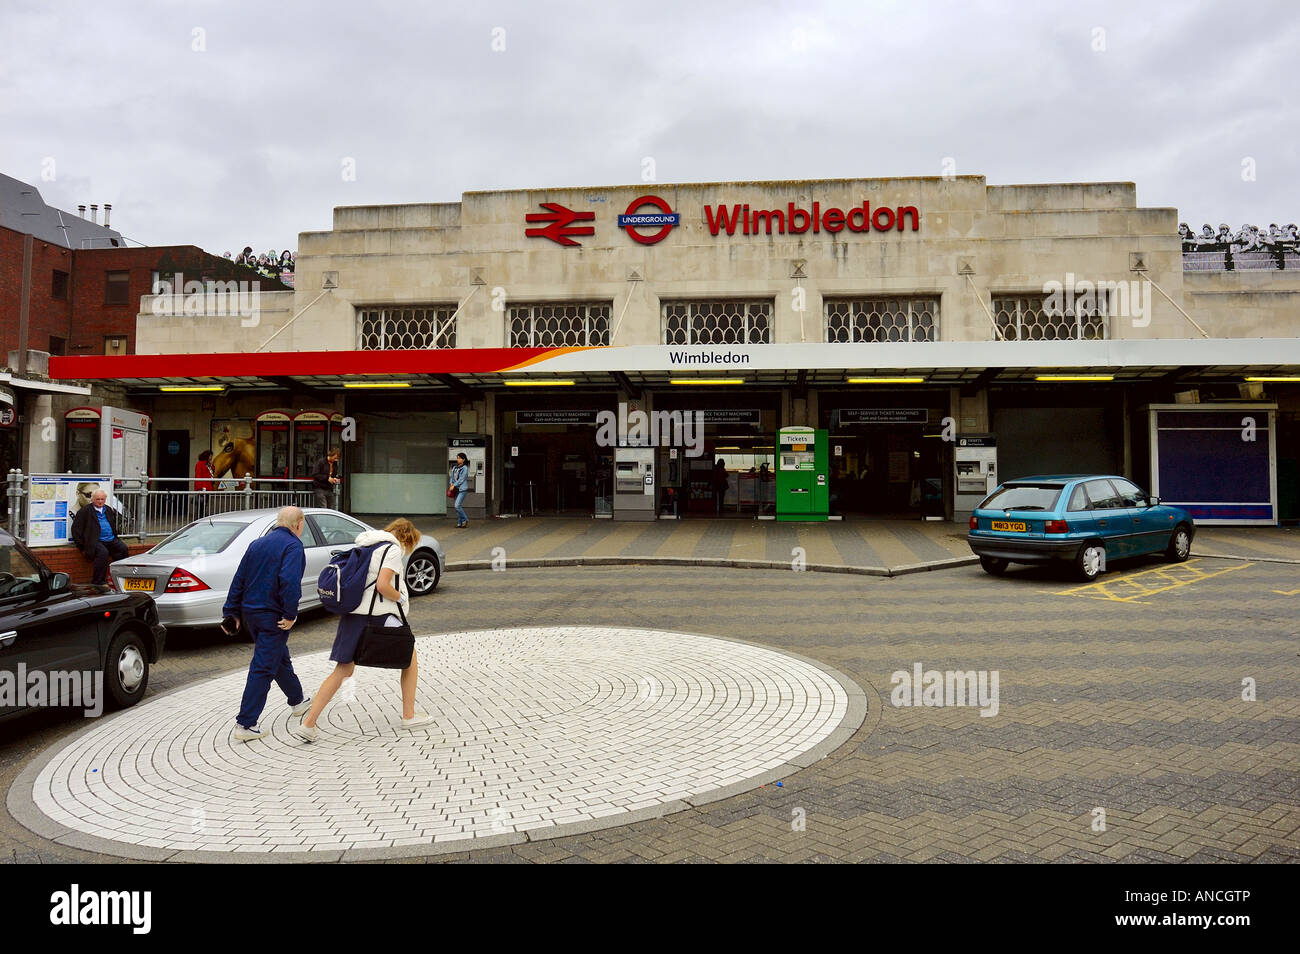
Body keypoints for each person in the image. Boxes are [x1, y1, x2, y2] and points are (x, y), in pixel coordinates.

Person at [292, 518, 432, 742]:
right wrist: (401, 596)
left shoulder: (365, 545)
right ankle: (409, 715)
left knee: (342, 670)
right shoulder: (392, 550)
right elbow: (383, 585)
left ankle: (309, 724)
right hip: (378, 617)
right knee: (410, 660)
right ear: (407, 538)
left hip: (352, 617)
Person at [223, 506, 312, 743]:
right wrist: (291, 613)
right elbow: (290, 582)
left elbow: (239, 578)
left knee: (278, 657)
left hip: (251, 614)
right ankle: (246, 723)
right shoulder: (293, 546)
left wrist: (231, 611)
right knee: (263, 666)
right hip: (274, 617)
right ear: (298, 524)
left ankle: (298, 701)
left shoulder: (257, 544)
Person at [71, 489, 129, 586]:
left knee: (123, 549)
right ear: (92, 499)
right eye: (97, 499)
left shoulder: (108, 509)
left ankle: (122, 577)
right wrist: (81, 547)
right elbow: (76, 530)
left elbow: (113, 525)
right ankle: (98, 582)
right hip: (95, 541)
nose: (100, 501)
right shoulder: (85, 511)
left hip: (111, 539)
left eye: (102, 499)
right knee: (103, 553)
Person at [192, 449, 215, 519]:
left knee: (204, 503)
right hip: (202, 487)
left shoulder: (208, 464)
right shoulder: (200, 464)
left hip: (208, 487)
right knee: (200, 504)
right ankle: (200, 517)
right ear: (206, 456)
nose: (211, 457)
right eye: (210, 456)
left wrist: (211, 465)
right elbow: (198, 476)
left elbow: (212, 472)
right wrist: (199, 488)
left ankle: (202, 516)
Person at [449, 452, 469, 528]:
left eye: (459, 458)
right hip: (455, 489)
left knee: (457, 506)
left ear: (463, 459)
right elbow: (452, 477)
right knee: (457, 506)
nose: (458, 459)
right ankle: (459, 523)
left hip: (462, 489)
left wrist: (454, 485)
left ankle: (465, 519)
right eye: (457, 458)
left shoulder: (465, 468)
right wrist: (451, 483)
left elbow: (462, 479)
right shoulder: (455, 467)